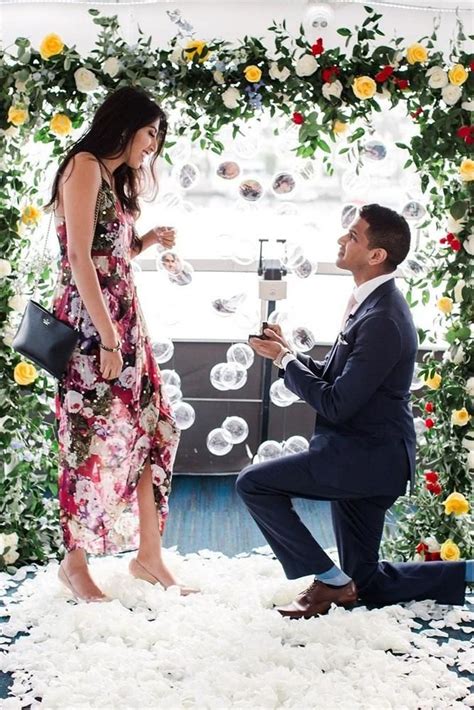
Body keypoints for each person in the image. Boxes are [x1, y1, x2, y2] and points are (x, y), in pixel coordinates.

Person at [238, 204, 471, 618]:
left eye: (353, 236)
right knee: (366, 583)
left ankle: (328, 580)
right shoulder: (370, 303)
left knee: (253, 484)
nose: (342, 241)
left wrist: (286, 361)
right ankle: (464, 573)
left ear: (376, 255)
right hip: (366, 455)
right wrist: (286, 353)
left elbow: (336, 404)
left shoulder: (383, 317)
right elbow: (336, 380)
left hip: (364, 459)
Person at [50, 86, 197, 601]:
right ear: (125, 123)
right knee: (86, 441)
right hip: (95, 333)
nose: (153, 143)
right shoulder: (85, 165)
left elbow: (110, 252)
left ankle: (149, 555)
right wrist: (109, 339)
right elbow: (78, 258)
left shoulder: (113, 177)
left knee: (156, 430)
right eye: (150, 131)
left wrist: (146, 241)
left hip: (125, 327)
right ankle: (74, 565)